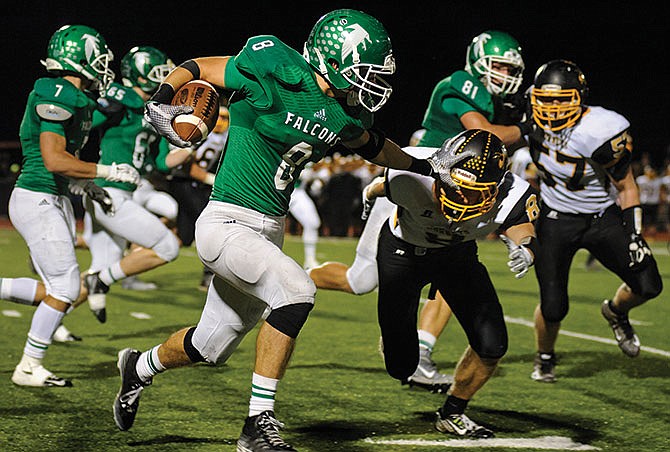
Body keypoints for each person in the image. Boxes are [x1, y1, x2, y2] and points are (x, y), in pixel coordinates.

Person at [114, 9, 439, 451]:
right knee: (296, 291)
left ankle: (139, 367)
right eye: (366, 72)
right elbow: (198, 67)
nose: (373, 84)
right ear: (332, 58)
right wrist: (162, 96)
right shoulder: (274, 66)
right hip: (227, 220)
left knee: (211, 345)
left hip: (268, 230)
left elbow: (374, 146)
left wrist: (424, 164)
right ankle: (256, 424)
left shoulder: (345, 114)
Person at [368, 129, 539, 437]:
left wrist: (525, 248)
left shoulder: (513, 193)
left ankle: (452, 412)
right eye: (455, 186)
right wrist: (369, 197)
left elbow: (522, 225)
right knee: (401, 366)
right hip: (401, 253)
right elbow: (381, 186)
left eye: (476, 193)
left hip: (455, 256)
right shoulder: (412, 174)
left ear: (496, 189)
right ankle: (395, 339)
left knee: (492, 344)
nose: (462, 197)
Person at [8, 24, 139, 387]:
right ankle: (29, 366)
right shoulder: (58, 91)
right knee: (66, 290)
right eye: (97, 57)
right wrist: (108, 170)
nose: (102, 66)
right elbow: (52, 159)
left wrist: (87, 184)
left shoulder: (76, 97)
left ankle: (31, 364)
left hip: (54, 196)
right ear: (78, 58)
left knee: (56, 289)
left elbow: (63, 163)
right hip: (38, 196)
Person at [525, 60, 663, 383]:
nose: (553, 108)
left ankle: (616, 312)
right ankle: (544, 356)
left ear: (580, 97)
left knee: (649, 284)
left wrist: (635, 235)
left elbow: (627, 186)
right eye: (546, 99)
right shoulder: (526, 118)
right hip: (556, 218)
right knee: (554, 306)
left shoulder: (602, 130)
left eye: (562, 99)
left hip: (601, 216)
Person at [308, 144, 453, 393]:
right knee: (361, 280)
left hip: (451, 201)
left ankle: (421, 351)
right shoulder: (462, 107)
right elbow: (482, 130)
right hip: (414, 188)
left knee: (453, 277)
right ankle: (294, 281)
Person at [82, 45, 186, 323]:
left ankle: (51, 318)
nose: (166, 78)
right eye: (159, 72)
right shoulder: (123, 98)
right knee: (168, 247)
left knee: (101, 263)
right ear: (140, 75)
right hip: (108, 189)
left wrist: (190, 142)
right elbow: (84, 122)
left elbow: (161, 164)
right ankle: (101, 280)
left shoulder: (152, 112)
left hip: (123, 192)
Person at [167, 104, 230, 290]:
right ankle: (209, 275)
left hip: (197, 186)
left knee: (184, 237)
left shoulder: (226, 137)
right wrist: (213, 180)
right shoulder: (200, 133)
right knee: (210, 223)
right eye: (218, 117)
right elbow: (189, 168)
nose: (221, 122)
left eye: (225, 119)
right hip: (183, 182)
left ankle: (141, 248)